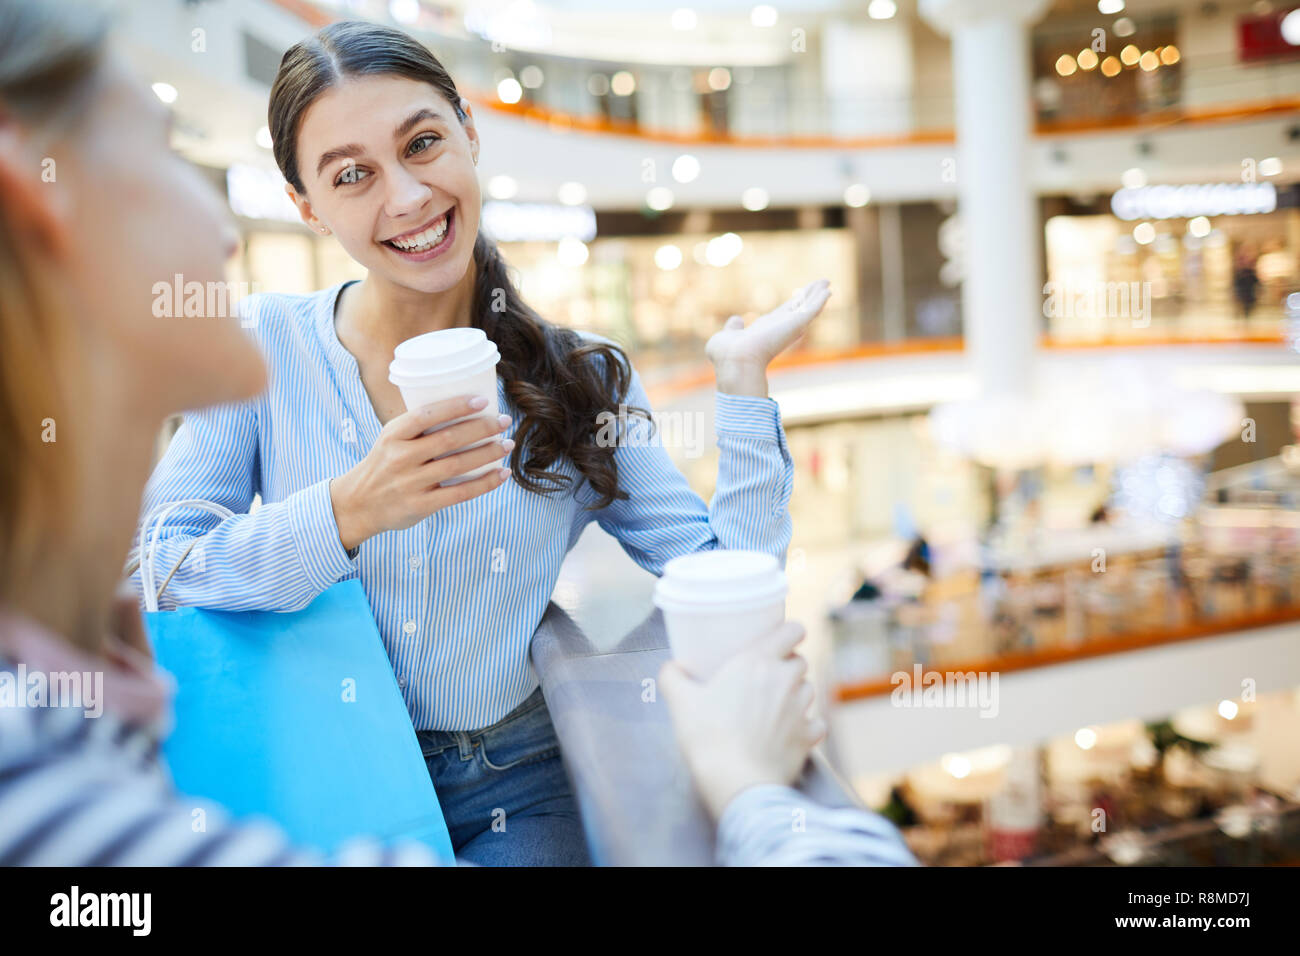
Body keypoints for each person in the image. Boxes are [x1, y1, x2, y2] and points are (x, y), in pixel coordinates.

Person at [0, 0, 915, 867]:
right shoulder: (265, 349)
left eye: (424, 143)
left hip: (521, 776)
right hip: (329, 755)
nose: (405, 197)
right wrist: (346, 511)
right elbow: (155, 566)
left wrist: (742, 391)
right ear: (307, 205)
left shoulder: (581, 375)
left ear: (470, 138)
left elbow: (726, 587)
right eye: (351, 174)